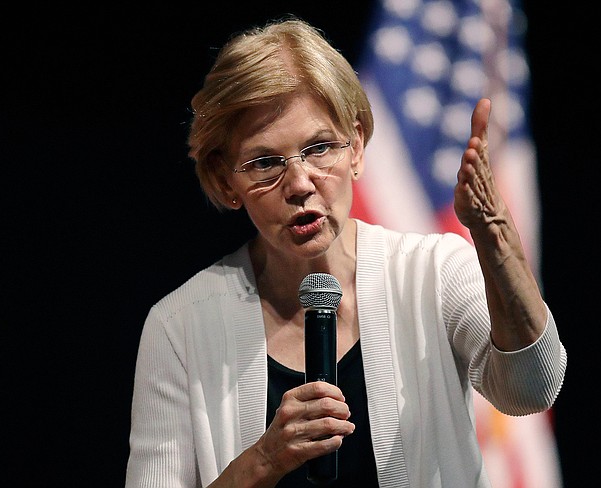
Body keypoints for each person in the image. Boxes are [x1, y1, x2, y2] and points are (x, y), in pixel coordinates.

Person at [125, 16, 567, 488]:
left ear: (356, 146)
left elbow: (531, 389)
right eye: (265, 162)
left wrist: (496, 239)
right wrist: (262, 462)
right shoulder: (180, 327)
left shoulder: (434, 272)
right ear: (224, 178)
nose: (299, 184)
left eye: (319, 148)